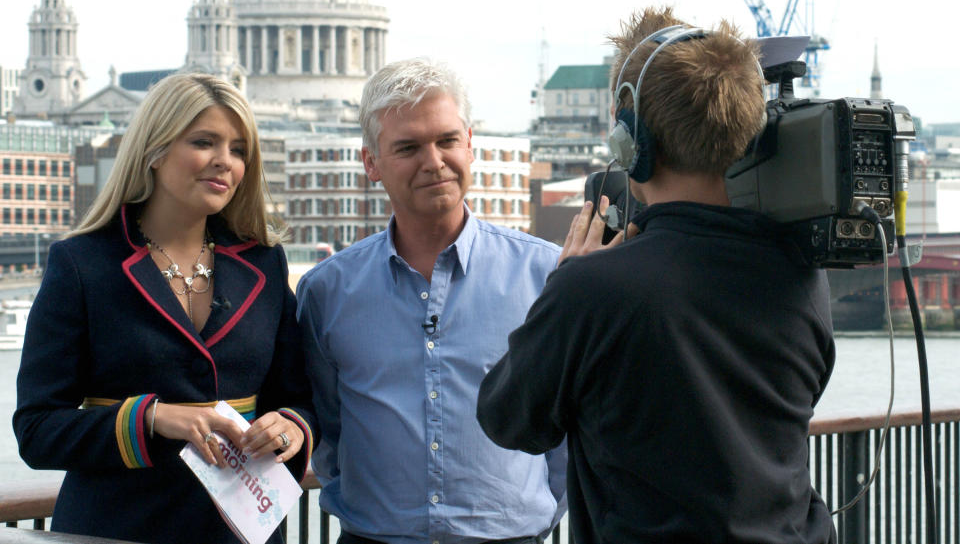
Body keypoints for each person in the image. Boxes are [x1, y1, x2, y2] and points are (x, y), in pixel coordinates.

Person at [477, 7, 837, 544]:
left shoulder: (593, 288)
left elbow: (510, 418)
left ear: (633, 140)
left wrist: (564, 283)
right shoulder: (800, 275)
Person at [14, 73, 318, 544]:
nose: (225, 162)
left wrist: (291, 428)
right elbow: (36, 430)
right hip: (118, 529)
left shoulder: (264, 262)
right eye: (204, 142)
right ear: (154, 151)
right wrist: (154, 418)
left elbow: (299, 398)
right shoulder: (81, 264)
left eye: (238, 150)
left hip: (242, 532)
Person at [296, 57, 566, 544]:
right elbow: (326, 427)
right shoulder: (326, 291)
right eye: (408, 147)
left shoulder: (545, 275)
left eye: (446, 141)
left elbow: (567, 431)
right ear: (370, 163)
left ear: (470, 143)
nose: (434, 161)